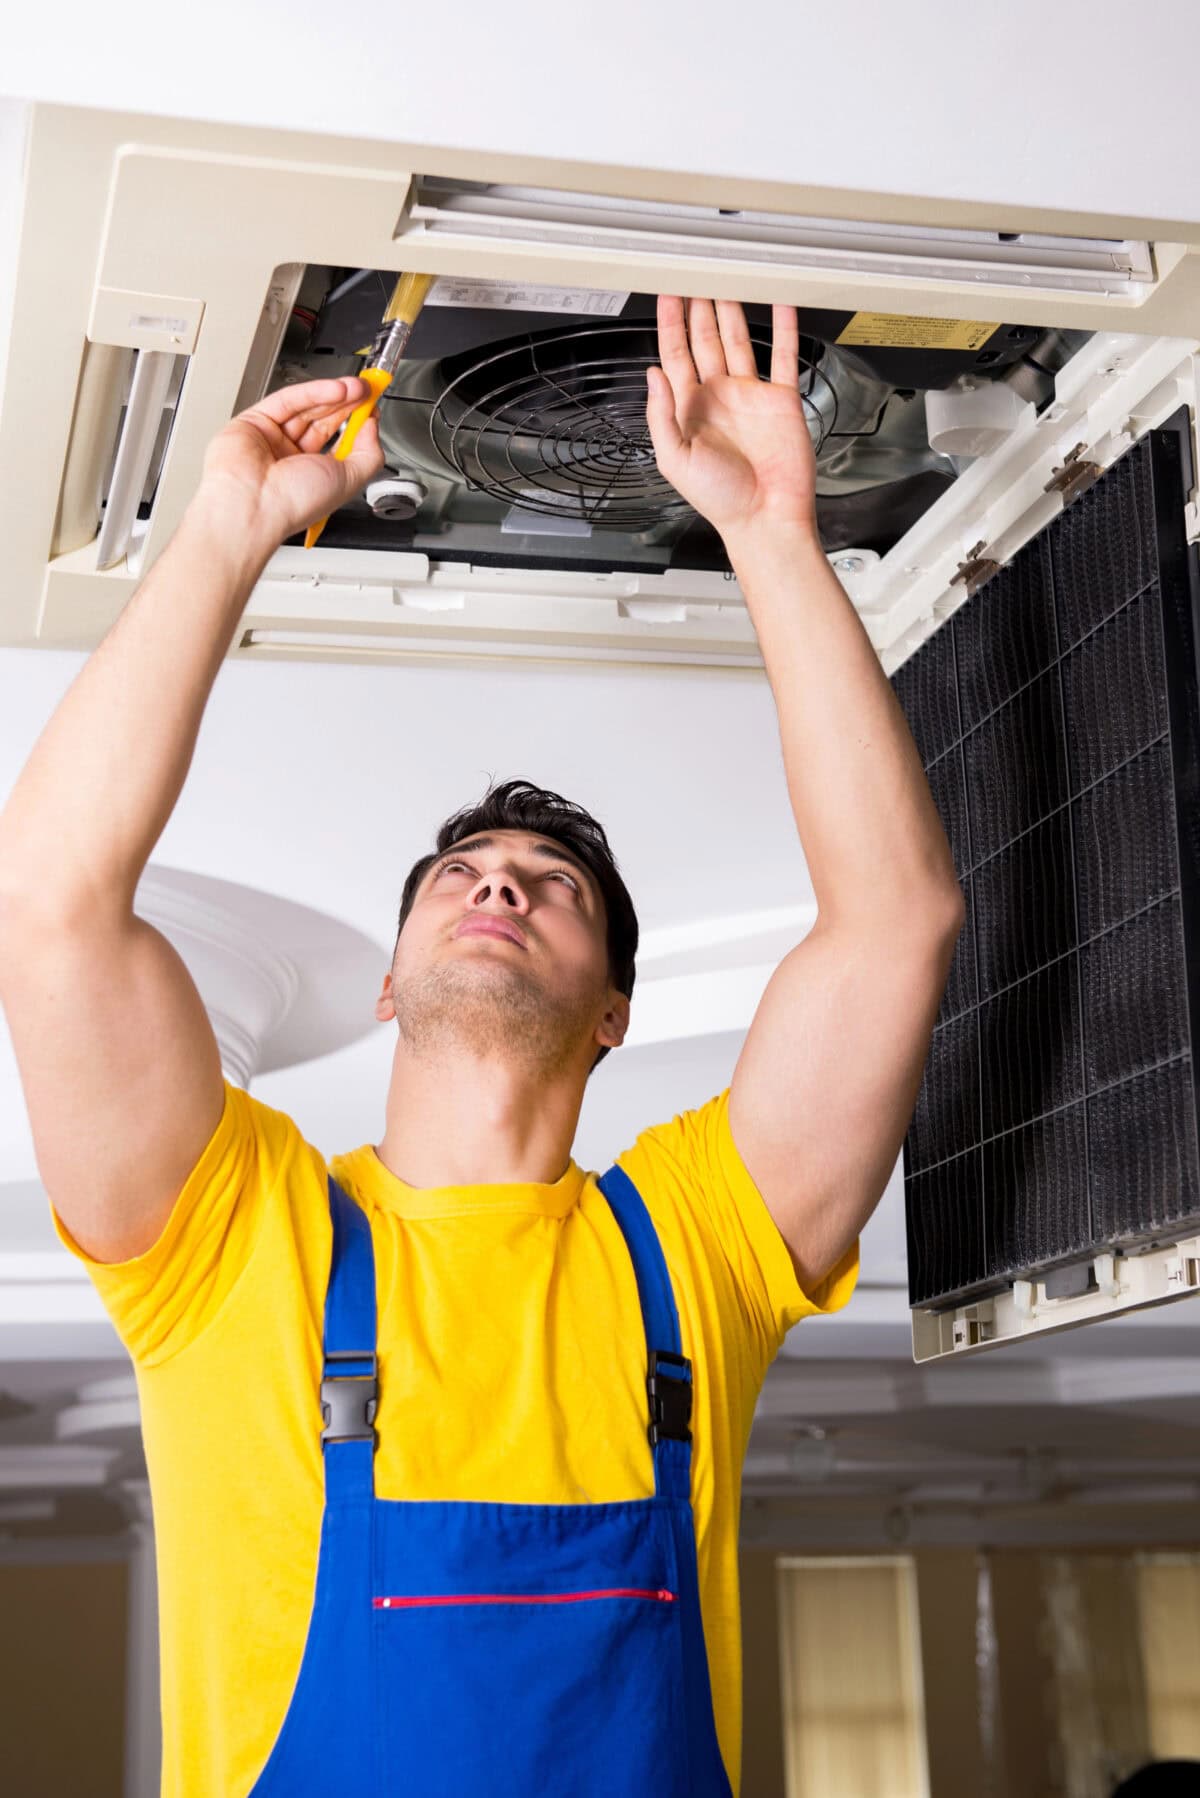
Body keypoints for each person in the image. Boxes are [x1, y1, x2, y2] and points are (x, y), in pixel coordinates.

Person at [0, 294, 964, 1795]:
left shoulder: (698, 1245)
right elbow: (51, 897)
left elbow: (895, 922)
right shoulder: (234, 1239)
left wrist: (774, 532)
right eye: (458, 878)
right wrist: (227, 529)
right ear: (387, 985)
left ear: (614, 1016)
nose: (499, 883)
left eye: (551, 887)